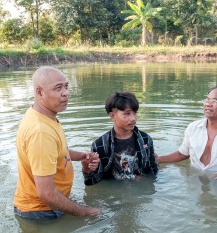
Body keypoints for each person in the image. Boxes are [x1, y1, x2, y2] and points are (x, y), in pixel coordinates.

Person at [14, 66, 101, 219]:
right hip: (41, 212)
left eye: (66, 86)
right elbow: (46, 193)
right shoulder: (41, 132)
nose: (65, 93)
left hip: (47, 206)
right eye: (58, 88)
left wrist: (81, 156)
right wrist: (85, 212)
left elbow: (57, 151)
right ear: (40, 92)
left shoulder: (42, 116)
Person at [157, 86, 217, 181]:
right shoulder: (193, 128)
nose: (208, 104)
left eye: (214, 101)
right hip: (194, 183)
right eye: (207, 100)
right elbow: (182, 154)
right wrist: (159, 159)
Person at [83, 91, 158, 185]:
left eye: (135, 113)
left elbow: (153, 171)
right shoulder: (99, 145)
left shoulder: (146, 140)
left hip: (141, 193)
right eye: (127, 114)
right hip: (113, 196)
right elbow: (92, 182)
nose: (133, 118)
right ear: (112, 116)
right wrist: (86, 169)